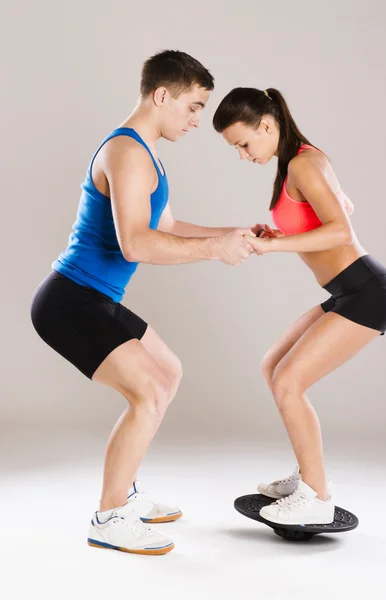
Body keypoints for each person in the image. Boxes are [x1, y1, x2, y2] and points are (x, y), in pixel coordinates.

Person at [31, 51, 256, 556]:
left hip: (97, 297)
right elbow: (136, 243)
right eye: (194, 107)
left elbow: (169, 228)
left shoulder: (148, 153)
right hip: (70, 300)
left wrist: (233, 233)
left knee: (167, 372)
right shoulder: (126, 152)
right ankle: (109, 516)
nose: (199, 119)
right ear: (162, 96)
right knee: (148, 390)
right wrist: (215, 252)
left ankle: (125, 490)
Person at [213, 87, 386, 526]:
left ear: (265, 125)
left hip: (369, 291)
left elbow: (341, 230)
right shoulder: (295, 162)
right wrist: (280, 236)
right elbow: (333, 210)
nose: (243, 156)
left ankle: (316, 496)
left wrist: (273, 250)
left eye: (243, 144)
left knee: (288, 382)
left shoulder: (304, 161)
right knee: (273, 365)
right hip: (347, 291)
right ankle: (308, 475)